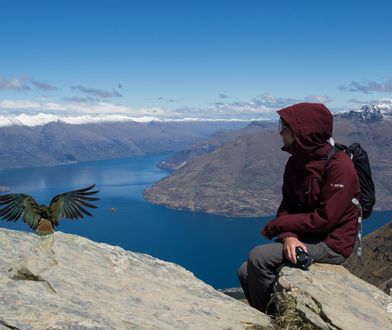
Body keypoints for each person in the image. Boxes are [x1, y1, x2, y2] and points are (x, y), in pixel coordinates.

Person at [237, 102, 361, 313]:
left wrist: (280, 225)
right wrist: (288, 235)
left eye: (286, 128)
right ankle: (268, 316)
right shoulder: (296, 163)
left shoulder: (340, 167)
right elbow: (287, 206)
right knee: (245, 272)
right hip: (307, 236)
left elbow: (325, 219)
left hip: (332, 243)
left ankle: (271, 319)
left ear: (304, 132)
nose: (281, 133)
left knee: (259, 256)